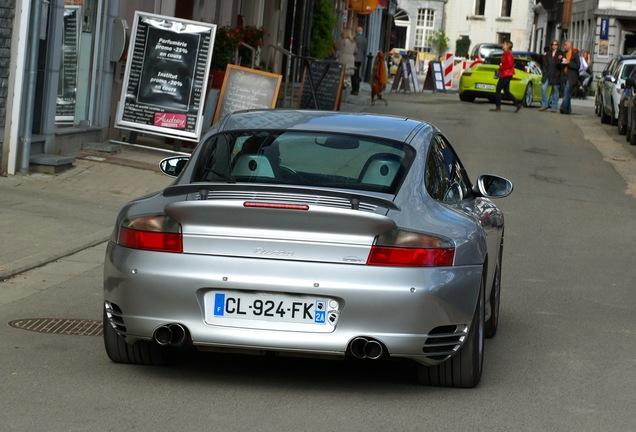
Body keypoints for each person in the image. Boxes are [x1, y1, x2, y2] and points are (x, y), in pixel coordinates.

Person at [490, 40, 522, 113]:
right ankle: (517, 104)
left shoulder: (508, 54)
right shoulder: (505, 53)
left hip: (506, 74)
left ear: (508, 46)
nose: (503, 45)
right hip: (505, 74)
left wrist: (500, 68)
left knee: (498, 89)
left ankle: (498, 107)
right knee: (507, 92)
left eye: (504, 44)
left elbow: (510, 65)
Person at [538, 39, 563, 112]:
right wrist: (545, 72)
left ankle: (554, 106)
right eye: (553, 44)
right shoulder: (548, 53)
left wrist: (560, 59)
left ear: (558, 45)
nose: (554, 46)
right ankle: (544, 104)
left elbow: (561, 65)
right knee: (543, 88)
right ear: (551, 45)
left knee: (555, 90)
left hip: (555, 74)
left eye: (556, 44)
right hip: (547, 74)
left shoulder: (560, 53)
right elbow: (544, 63)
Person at [559, 40, 580, 114]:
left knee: (566, 91)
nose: (564, 46)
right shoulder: (563, 54)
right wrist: (560, 59)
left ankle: (563, 107)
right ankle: (568, 110)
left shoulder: (575, 55)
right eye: (564, 45)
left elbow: (577, 66)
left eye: (566, 45)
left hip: (571, 77)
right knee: (567, 93)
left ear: (570, 45)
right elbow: (559, 65)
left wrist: (569, 63)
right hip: (564, 75)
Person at [351, 26, 367, 96]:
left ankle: (355, 89)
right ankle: (357, 88)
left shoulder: (355, 38)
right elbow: (365, 49)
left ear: (356, 31)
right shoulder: (365, 39)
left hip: (355, 58)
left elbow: (353, 48)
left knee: (354, 74)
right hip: (361, 59)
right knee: (357, 73)